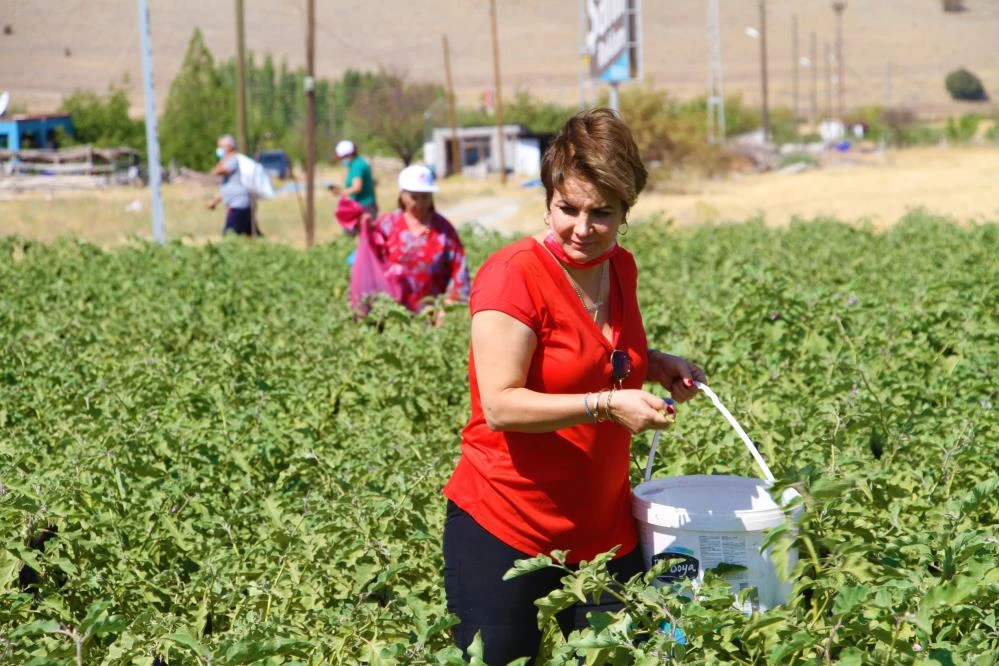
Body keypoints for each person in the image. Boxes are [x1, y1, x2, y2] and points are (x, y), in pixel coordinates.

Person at [441, 107, 707, 662]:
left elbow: (597, 353)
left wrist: (653, 363)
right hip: (508, 528)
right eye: (568, 208)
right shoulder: (512, 275)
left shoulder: (620, 268)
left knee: (645, 652)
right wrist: (608, 406)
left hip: (604, 531)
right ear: (547, 199)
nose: (582, 229)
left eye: (602, 213)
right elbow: (502, 405)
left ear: (625, 211)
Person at [357, 164, 470, 315]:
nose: (420, 203)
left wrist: (449, 305)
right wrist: (366, 228)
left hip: (433, 314)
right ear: (402, 195)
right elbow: (371, 260)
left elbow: (459, 269)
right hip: (393, 313)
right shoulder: (387, 224)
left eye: (425, 197)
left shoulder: (444, 229)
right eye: (414, 197)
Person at [206, 134, 260, 237]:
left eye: (221, 146)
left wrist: (222, 160)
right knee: (252, 234)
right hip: (240, 204)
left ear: (229, 147)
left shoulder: (234, 159)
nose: (219, 149)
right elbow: (226, 188)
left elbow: (219, 171)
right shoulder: (229, 160)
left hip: (239, 204)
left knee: (229, 234)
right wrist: (214, 201)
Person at [331, 139, 378, 220]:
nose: (342, 161)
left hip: (363, 207)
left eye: (342, 158)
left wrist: (340, 192)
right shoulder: (358, 163)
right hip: (364, 206)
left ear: (349, 155)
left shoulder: (357, 166)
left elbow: (357, 188)